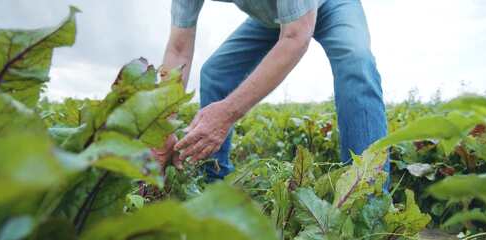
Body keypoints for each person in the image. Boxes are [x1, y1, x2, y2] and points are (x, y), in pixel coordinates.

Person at [155, 0, 387, 180]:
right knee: (215, 73)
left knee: (356, 61)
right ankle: (214, 181)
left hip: (332, 5)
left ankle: (365, 193)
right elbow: (178, 49)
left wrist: (227, 112)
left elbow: (296, 36)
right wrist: (161, 128)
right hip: (275, 16)